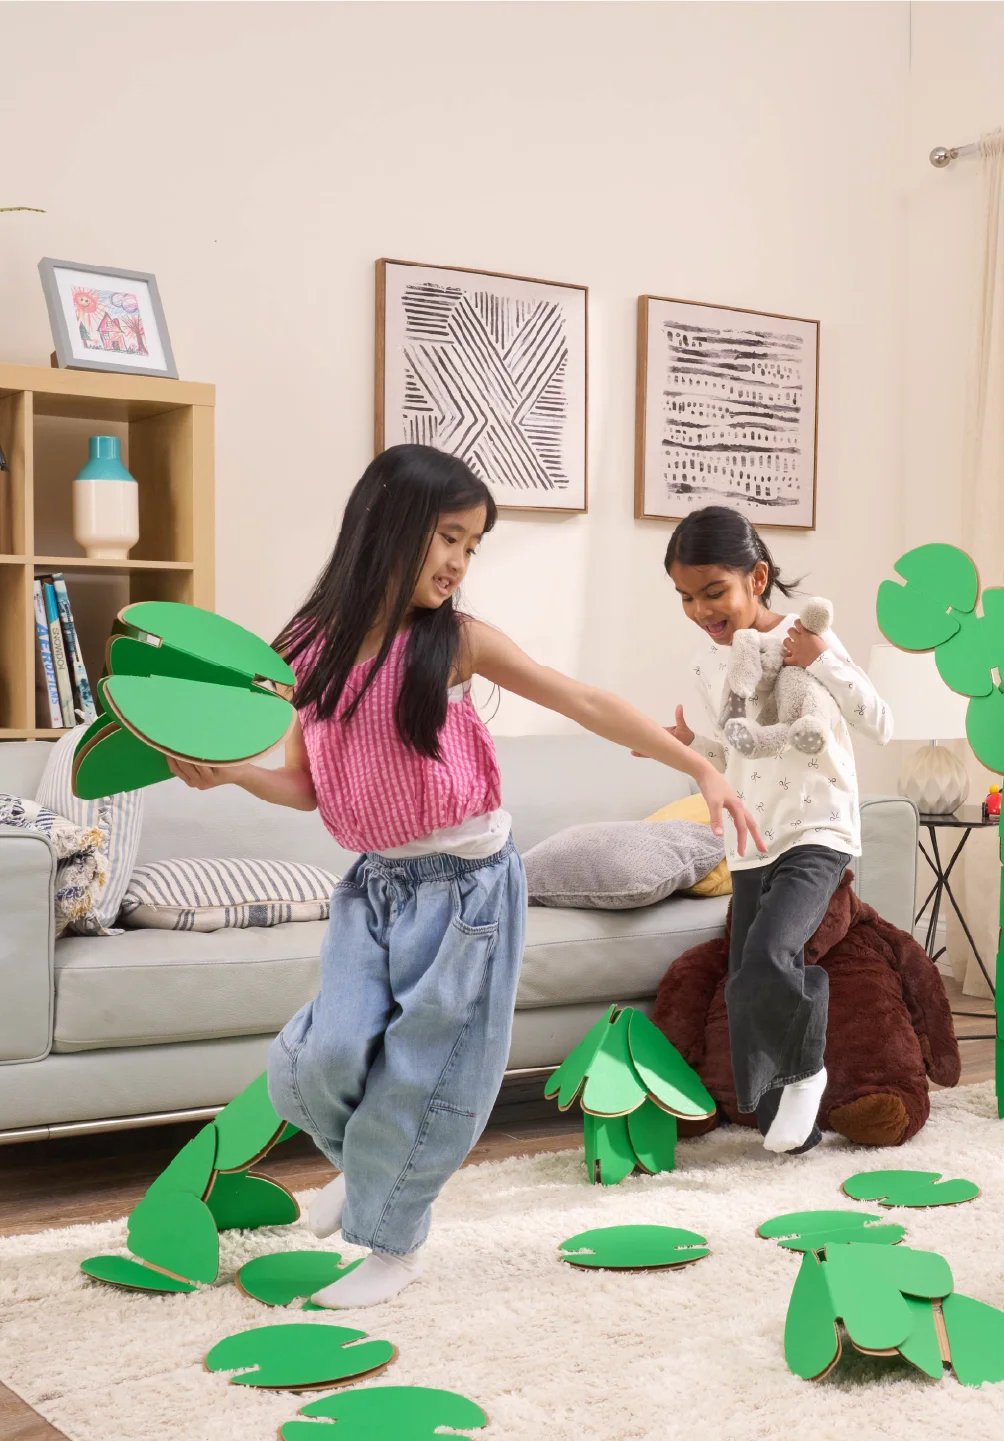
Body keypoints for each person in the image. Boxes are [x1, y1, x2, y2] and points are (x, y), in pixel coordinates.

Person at [170, 445, 762, 1307]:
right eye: (447, 537)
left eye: (472, 546)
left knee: (426, 1073)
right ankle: (370, 1172)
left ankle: (393, 1243)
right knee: (318, 1060)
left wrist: (700, 766)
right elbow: (306, 784)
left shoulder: (454, 642)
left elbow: (581, 699)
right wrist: (234, 775)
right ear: (388, 525)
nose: (458, 562)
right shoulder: (306, 646)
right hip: (374, 888)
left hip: (468, 892)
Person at [663, 505, 891, 1154]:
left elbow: (880, 722)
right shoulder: (709, 665)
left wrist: (823, 661)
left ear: (757, 578)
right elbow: (741, 752)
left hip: (817, 826)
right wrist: (686, 744)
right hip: (750, 839)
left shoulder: (806, 637)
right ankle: (790, 1127)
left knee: (769, 953)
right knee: (745, 982)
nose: (701, 610)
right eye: (685, 596)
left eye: (713, 591)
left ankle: (807, 1071)